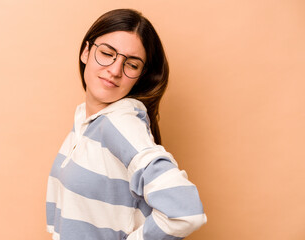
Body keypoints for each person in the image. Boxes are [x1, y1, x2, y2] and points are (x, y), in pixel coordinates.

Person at [46, 8, 207, 240]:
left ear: (141, 74)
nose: (114, 70)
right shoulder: (85, 118)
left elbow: (185, 211)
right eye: (107, 53)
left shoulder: (120, 123)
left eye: (131, 64)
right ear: (85, 52)